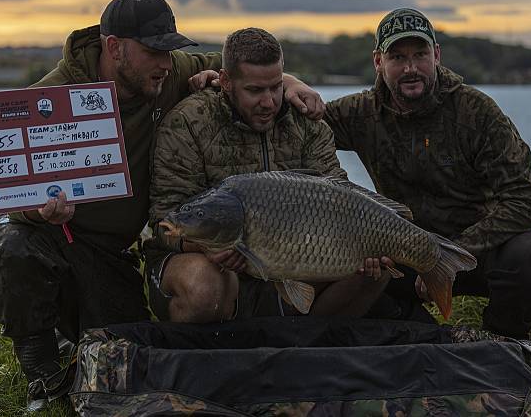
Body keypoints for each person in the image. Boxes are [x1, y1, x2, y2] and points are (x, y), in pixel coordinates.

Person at [0, 0, 325, 407]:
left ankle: (72, 343)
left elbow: (239, 69)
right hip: (52, 232)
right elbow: (9, 194)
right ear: (115, 48)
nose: (165, 62)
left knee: (129, 355)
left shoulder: (167, 74)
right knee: (13, 244)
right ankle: (41, 371)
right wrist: (37, 207)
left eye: (170, 50)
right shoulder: (52, 96)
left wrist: (291, 81)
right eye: (155, 51)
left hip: (110, 251)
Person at [323, 7, 531, 339]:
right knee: (329, 263)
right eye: (397, 57)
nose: (410, 68)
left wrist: (450, 255)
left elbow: (526, 202)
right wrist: (286, 82)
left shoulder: (478, 112)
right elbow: (296, 118)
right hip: (401, 255)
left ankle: (501, 342)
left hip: (473, 255)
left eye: (419, 54)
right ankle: (423, 334)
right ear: (378, 61)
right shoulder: (360, 112)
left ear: (436, 55)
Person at [144, 27, 396, 323]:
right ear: (225, 81)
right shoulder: (188, 122)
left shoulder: (306, 123)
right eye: (254, 90)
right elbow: (164, 221)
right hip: (209, 263)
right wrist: (206, 246)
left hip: (288, 260)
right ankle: (206, 358)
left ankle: (306, 349)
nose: (269, 102)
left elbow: (338, 195)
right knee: (204, 287)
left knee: (373, 272)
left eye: (276, 87)